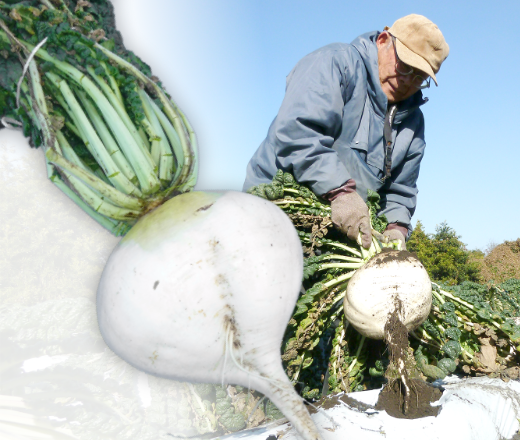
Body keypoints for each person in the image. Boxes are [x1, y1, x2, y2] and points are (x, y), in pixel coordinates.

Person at [242, 14, 449, 250]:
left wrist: (396, 226)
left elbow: (401, 188)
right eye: (404, 67)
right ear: (383, 40)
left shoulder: (413, 121)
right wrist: (340, 191)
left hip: (337, 235)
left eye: (419, 77)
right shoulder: (335, 63)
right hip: (277, 210)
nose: (407, 82)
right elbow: (299, 132)